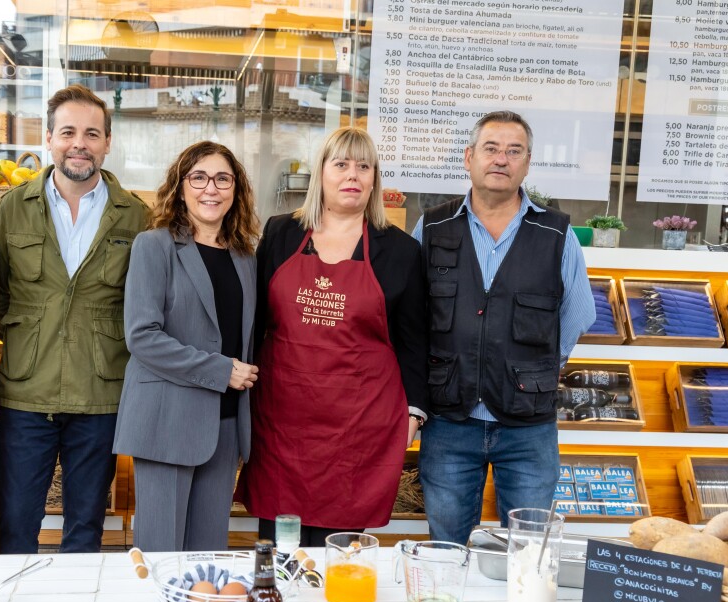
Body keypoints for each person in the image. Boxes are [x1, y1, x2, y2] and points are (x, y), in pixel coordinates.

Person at [234, 127, 427, 547]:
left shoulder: (402, 251)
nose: (352, 175)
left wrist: (414, 411)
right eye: (340, 164)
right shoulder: (282, 233)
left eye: (363, 166)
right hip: (282, 421)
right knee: (280, 548)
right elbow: (256, 321)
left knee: (337, 551)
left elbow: (413, 341)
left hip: (356, 426)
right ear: (321, 173)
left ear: (375, 178)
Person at [413, 110, 596, 545]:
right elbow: (411, 315)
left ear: (527, 163)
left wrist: (538, 368)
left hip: (527, 428)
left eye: (514, 151)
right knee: (447, 548)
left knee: (528, 551)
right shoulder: (433, 227)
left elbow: (578, 312)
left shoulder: (554, 232)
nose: (501, 159)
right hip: (449, 420)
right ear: (469, 157)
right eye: (491, 149)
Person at [0, 84, 148, 554]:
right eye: (69, 132)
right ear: (50, 139)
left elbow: (144, 307)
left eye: (92, 133)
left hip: (100, 396)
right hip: (24, 392)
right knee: (15, 523)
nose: (80, 143)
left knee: (85, 530)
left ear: (107, 143)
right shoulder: (12, 207)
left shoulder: (135, 216)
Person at [113, 141, 260, 551]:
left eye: (222, 179)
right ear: (180, 188)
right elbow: (142, 336)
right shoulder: (154, 246)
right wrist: (221, 370)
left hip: (227, 424)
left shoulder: (245, 256)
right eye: (198, 177)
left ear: (236, 190)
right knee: (161, 554)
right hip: (168, 420)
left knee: (207, 554)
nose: (210, 188)